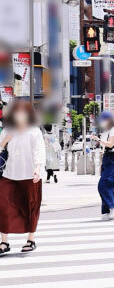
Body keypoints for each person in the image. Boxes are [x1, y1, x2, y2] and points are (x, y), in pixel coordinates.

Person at [0, 100, 44, 255]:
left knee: (31, 207)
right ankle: (4, 242)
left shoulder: (34, 131)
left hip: (29, 174)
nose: (20, 115)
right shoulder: (7, 130)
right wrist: (8, 137)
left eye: (23, 112)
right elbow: (0, 146)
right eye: (17, 112)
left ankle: (30, 239)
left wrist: (38, 169)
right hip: (9, 174)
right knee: (3, 205)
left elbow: (39, 151)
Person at [91, 111, 114, 221]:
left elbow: (110, 144)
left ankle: (113, 207)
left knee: (103, 185)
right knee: (108, 185)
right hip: (106, 159)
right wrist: (101, 163)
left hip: (112, 159)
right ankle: (107, 211)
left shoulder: (113, 130)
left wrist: (98, 139)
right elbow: (104, 148)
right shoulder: (105, 131)